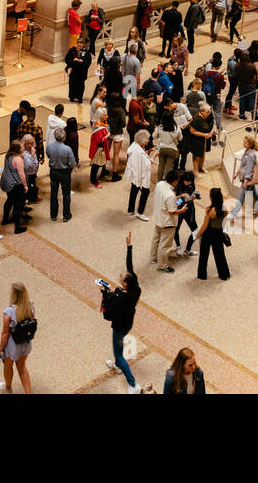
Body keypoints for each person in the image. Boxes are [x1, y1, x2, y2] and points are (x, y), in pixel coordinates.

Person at [100, 232, 142, 392]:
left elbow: (108, 313)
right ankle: (118, 365)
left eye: (123, 276)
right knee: (119, 346)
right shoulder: (135, 289)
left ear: (125, 283)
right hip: (128, 321)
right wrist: (129, 247)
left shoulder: (120, 299)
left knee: (118, 353)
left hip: (119, 325)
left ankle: (133, 384)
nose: (122, 274)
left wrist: (104, 292)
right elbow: (130, 267)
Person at [0, 281, 35, 393]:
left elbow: (5, 333)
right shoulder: (30, 306)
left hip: (13, 345)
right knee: (22, 367)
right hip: (26, 343)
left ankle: (8, 387)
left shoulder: (9, 311)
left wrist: (0, 349)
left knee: (8, 364)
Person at [196, 187, 230, 281]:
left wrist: (198, 235)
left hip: (208, 233)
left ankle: (202, 275)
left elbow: (204, 225)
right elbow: (224, 221)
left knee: (204, 255)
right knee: (220, 255)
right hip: (218, 232)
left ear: (212, 198)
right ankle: (224, 274)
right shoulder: (225, 209)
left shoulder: (210, 210)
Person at [229, 135, 258, 221]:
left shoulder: (250, 155)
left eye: (245, 142)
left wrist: (245, 182)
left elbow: (249, 170)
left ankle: (233, 214)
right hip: (246, 178)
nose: (243, 143)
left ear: (249, 144)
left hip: (247, 180)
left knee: (241, 197)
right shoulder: (246, 152)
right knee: (255, 194)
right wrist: (236, 173)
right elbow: (242, 165)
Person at [124, 129, 153, 220]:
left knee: (134, 190)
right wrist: (154, 156)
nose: (149, 141)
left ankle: (131, 209)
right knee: (145, 191)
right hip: (139, 175)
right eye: (148, 139)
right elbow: (146, 164)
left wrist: (148, 151)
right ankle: (140, 213)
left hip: (136, 174)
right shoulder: (138, 152)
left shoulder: (135, 146)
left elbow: (142, 157)